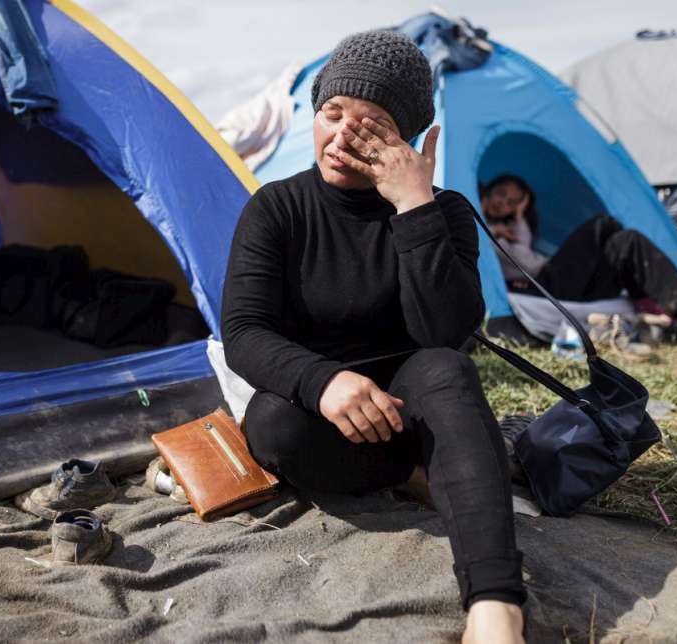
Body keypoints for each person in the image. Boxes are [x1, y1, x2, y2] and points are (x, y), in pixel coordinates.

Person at [221, 31, 526, 643]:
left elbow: (447, 334)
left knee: (447, 370)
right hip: (330, 407)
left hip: (422, 397)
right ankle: (416, 472)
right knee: (273, 425)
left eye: (371, 125)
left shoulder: (445, 210)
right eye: (332, 115)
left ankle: (497, 607)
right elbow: (244, 331)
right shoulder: (276, 209)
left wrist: (414, 208)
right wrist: (323, 380)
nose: (342, 136)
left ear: (407, 138)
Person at [481, 174, 677, 339]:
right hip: (543, 287)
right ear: (488, 191)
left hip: (567, 285)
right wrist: (490, 226)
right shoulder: (476, 227)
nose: (503, 204)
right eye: (501, 194)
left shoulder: (509, 229)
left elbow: (524, 245)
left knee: (626, 242)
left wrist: (518, 215)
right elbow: (527, 266)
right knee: (603, 224)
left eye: (512, 203)